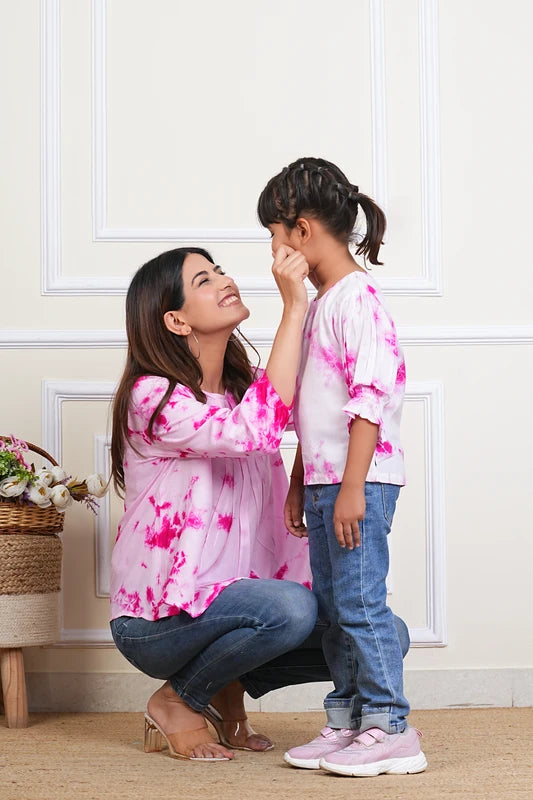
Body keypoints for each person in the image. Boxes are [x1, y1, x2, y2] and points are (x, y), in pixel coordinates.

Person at [109, 245, 318, 762]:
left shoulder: (242, 388)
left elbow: (315, 413)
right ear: (176, 319)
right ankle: (178, 699)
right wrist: (295, 308)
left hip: (235, 608)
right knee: (289, 609)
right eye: (203, 279)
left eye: (219, 270)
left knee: (386, 635)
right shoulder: (153, 397)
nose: (224, 280)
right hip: (159, 623)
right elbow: (254, 430)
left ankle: (227, 695)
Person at [256, 157, 427, 777]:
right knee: (333, 609)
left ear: (301, 230)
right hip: (329, 481)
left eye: (274, 235)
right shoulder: (322, 302)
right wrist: (304, 481)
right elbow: (314, 406)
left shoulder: (358, 300)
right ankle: (349, 719)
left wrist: (352, 485)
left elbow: (370, 398)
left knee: (360, 605)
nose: (272, 249)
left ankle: (391, 728)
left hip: (361, 481)